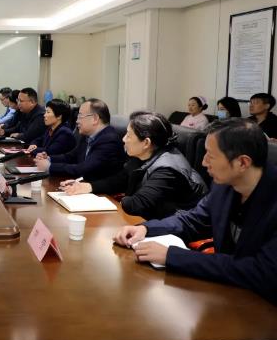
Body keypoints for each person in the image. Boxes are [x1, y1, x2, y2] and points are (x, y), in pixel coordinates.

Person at [113, 118, 277, 305]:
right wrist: (146, 229)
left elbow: (262, 272)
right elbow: (194, 220)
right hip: (229, 294)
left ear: (242, 163)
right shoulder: (224, 185)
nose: (204, 162)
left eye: (211, 156)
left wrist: (172, 256)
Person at [62, 111, 207, 219]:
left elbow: (137, 204)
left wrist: (103, 202)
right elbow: (120, 179)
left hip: (174, 231)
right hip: (150, 218)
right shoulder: (144, 155)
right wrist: (87, 187)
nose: (123, 139)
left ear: (146, 142)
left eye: (128, 135)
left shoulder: (167, 169)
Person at [35, 98, 125, 181]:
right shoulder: (87, 135)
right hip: (82, 185)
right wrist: (49, 158)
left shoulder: (109, 140)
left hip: (100, 190)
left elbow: (83, 168)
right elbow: (71, 157)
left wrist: (50, 167)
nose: (77, 121)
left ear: (95, 119)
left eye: (80, 116)